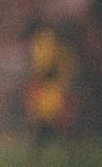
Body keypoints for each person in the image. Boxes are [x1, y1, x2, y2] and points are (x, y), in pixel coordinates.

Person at [25, 20, 79, 167]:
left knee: (55, 126)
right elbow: (42, 68)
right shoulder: (47, 43)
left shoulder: (54, 46)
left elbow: (48, 69)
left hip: (54, 90)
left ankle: (33, 159)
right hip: (48, 90)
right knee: (46, 126)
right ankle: (34, 159)